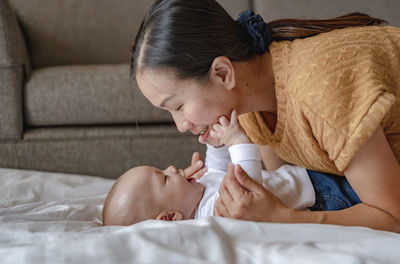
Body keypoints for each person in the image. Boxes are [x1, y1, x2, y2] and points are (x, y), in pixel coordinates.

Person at [130, 0, 400, 232]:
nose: (180, 125)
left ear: (223, 73)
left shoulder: (320, 95)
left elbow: (393, 216)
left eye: (177, 106)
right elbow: (283, 178)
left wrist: (285, 219)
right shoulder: (247, 105)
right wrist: (206, 187)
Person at [102, 110, 359, 225]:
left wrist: (216, 145)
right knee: (363, 186)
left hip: (307, 178)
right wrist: (237, 141)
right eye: (165, 178)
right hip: (323, 196)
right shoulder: (213, 215)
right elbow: (245, 179)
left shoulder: (200, 193)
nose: (171, 167)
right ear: (171, 217)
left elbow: (218, 168)